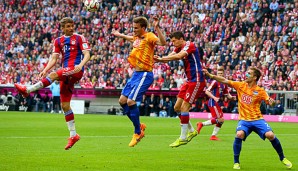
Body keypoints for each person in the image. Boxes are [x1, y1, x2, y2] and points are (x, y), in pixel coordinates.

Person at [14, 17, 91, 150]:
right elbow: (54, 58)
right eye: (68, 26)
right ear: (62, 28)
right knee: (65, 105)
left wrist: (81, 65)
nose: (71, 28)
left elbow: (87, 54)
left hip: (76, 69)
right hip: (66, 72)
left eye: (72, 26)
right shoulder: (58, 41)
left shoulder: (79, 38)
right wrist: (45, 69)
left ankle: (27, 90)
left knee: (55, 75)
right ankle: (73, 135)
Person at [202, 67, 292, 169]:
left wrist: (272, 103)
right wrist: (210, 75)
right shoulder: (240, 85)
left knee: (270, 135)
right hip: (244, 120)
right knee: (239, 134)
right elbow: (224, 80)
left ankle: (282, 157)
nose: (246, 75)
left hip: (258, 119)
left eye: (249, 74)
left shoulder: (260, 91)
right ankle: (236, 162)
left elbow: (270, 102)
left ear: (254, 77)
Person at [112, 16, 166, 147]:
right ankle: (139, 125)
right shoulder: (136, 38)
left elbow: (163, 43)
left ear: (143, 28)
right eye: (133, 27)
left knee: (131, 101)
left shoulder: (150, 36)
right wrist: (119, 34)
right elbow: (129, 37)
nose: (133, 30)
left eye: (136, 28)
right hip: (136, 74)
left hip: (145, 74)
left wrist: (157, 27)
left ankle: (137, 132)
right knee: (122, 101)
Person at [154, 31, 206, 147]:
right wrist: (159, 59)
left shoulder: (189, 45)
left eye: (174, 41)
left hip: (197, 80)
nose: (173, 43)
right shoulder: (179, 47)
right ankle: (192, 130)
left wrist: (162, 59)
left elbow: (178, 56)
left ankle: (183, 137)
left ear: (181, 38)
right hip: (189, 81)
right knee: (177, 107)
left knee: (184, 107)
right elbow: (170, 56)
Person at [197, 66, 236, 141]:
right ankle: (202, 124)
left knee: (221, 120)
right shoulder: (215, 82)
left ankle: (213, 135)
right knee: (220, 120)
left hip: (218, 103)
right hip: (213, 103)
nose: (220, 75)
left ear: (223, 74)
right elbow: (207, 91)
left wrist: (232, 98)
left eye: (221, 73)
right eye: (219, 73)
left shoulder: (224, 83)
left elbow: (226, 94)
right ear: (217, 74)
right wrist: (214, 98)